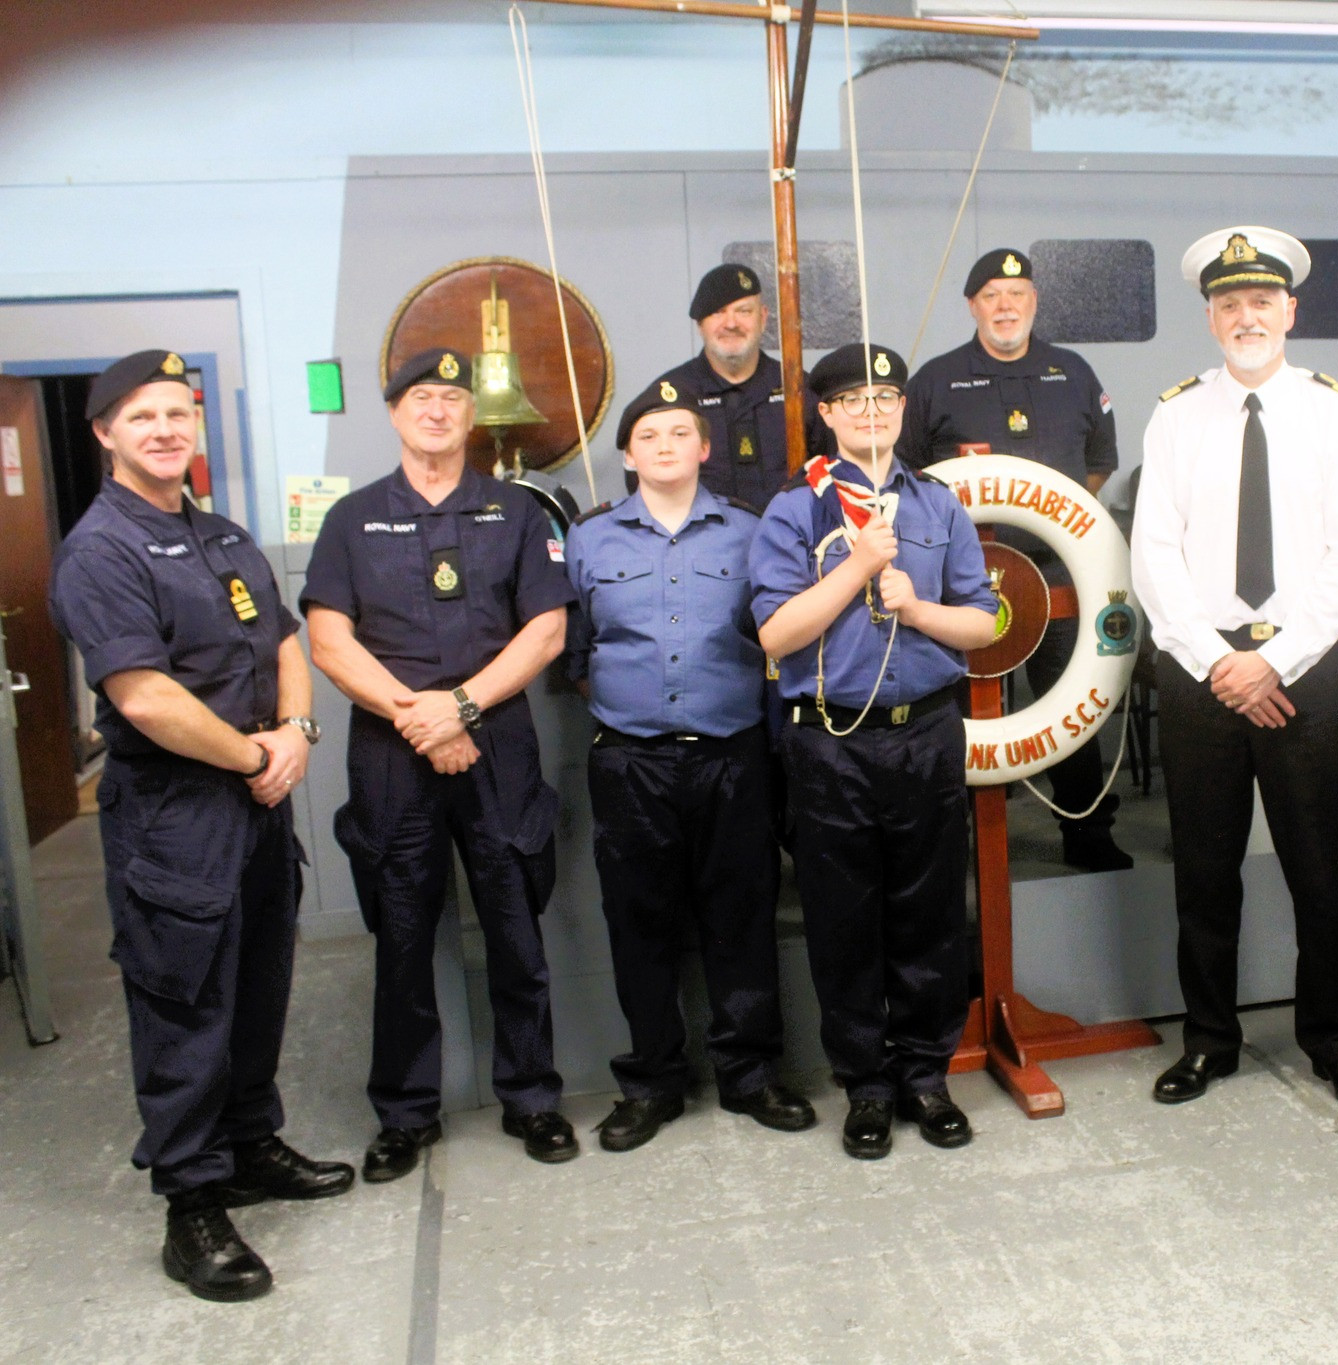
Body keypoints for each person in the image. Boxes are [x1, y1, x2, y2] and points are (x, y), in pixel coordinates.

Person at [49, 350, 353, 1302]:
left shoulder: (223, 535)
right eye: (143, 416)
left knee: (260, 982)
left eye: (180, 413)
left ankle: (251, 1145)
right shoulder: (101, 550)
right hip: (177, 816)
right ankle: (192, 1205)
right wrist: (260, 757)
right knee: (183, 1005)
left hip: (257, 803)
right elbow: (144, 699)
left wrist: (297, 732)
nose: (167, 430)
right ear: (104, 433)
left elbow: (283, 642)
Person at [302, 349, 580, 1179]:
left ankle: (532, 1098)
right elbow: (327, 639)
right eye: (422, 398)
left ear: (471, 419)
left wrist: (459, 707)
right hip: (393, 754)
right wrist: (420, 717)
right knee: (401, 938)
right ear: (393, 412)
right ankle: (404, 1113)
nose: (437, 411)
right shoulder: (351, 519)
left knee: (515, 930)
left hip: (496, 745)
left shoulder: (518, 512)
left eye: (452, 400)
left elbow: (547, 631)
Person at [1131, 226, 1338, 1112]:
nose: (1248, 317)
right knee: (1204, 870)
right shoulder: (1175, 412)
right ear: (1210, 316)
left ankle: (1335, 1040)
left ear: (1291, 311)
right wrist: (1218, 663)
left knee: (1321, 866)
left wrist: (1271, 660)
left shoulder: (1330, 408)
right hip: (1202, 675)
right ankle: (1209, 1040)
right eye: (1231, 303)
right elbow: (1153, 551)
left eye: (1262, 302)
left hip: (1306, 668)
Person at [748, 342, 999, 1160]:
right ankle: (865, 1083)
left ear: (901, 409)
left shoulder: (937, 505)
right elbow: (777, 633)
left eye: (884, 396)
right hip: (830, 741)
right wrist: (857, 564)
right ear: (824, 413)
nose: (870, 410)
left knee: (930, 914)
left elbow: (985, 623)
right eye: (850, 398)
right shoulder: (795, 509)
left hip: (923, 734)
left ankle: (926, 1075)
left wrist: (918, 608)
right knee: (844, 918)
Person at [562, 376, 815, 1152]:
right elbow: (574, 652)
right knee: (639, 926)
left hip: (732, 758)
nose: (666, 446)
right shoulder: (589, 540)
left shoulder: (752, 531)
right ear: (628, 454)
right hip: (630, 763)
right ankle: (652, 1083)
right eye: (649, 436)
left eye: (680, 433)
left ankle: (750, 1074)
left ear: (705, 448)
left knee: (741, 918)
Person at [899, 247, 1131, 871]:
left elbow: (1099, 462)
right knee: (960, 710)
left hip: (1056, 571)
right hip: (961, 579)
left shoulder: (1073, 371)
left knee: (1069, 698)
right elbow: (909, 474)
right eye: (993, 297)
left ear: (1034, 302)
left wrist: (1059, 524)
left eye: (1018, 295)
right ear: (973, 305)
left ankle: (1087, 832)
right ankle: (961, 840)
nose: (1006, 307)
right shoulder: (936, 380)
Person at [653, 263, 833, 512]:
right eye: (718, 313)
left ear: (763, 317)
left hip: (793, 541)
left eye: (744, 311)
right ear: (700, 325)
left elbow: (836, 469)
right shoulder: (671, 396)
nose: (731, 323)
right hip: (704, 542)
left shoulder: (800, 390)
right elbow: (648, 484)